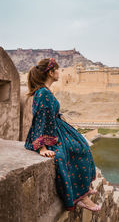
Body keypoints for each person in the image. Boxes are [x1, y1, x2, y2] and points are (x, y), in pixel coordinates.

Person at [24, 58, 101, 212]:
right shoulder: (43, 93)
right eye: (57, 69)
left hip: (56, 129)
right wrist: (42, 147)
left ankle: (84, 188)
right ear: (51, 72)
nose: (59, 72)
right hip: (49, 134)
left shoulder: (46, 91)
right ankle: (81, 198)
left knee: (82, 146)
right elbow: (40, 119)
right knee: (66, 155)